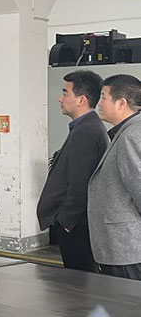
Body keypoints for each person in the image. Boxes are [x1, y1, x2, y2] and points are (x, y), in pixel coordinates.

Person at [37, 70, 108, 272]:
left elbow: (81, 185)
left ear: (81, 100)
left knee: (80, 279)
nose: (60, 98)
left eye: (65, 93)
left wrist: (66, 222)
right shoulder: (86, 127)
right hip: (76, 223)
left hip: (76, 225)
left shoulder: (86, 132)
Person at [88, 74, 141, 280]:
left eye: (103, 97)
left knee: (126, 297)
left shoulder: (132, 135)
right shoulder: (125, 132)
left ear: (121, 103)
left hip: (127, 248)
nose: (99, 103)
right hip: (121, 247)